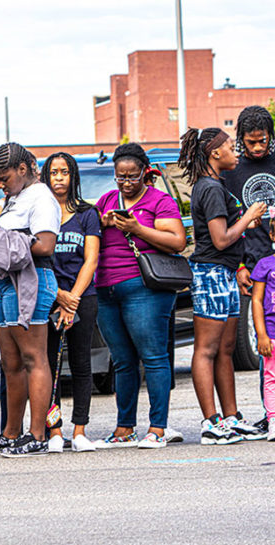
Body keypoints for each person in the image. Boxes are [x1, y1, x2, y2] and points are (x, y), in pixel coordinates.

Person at [93, 143, 186, 449]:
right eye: (121, 177)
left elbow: (176, 241)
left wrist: (137, 228)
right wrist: (101, 224)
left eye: (133, 176)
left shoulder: (160, 201)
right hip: (106, 290)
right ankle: (124, 428)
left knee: (154, 357)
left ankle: (157, 428)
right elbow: (87, 238)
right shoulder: (107, 200)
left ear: (145, 173)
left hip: (145, 289)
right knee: (122, 361)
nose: (127, 183)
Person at [180, 127, 267, 443]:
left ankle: (231, 417)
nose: (236, 152)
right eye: (232, 147)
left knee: (227, 349)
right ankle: (211, 422)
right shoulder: (211, 188)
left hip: (226, 273)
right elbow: (219, 239)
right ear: (215, 153)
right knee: (207, 349)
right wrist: (249, 215)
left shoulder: (216, 186)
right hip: (211, 273)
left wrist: (244, 221)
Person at [0, 143, 59, 457]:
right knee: (10, 363)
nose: (1, 184)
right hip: (7, 283)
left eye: (5, 177)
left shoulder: (41, 197)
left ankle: (37, 433)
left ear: (23, 170)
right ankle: (11, 432)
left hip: (33, 280)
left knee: (33, 358)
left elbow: (45, 245)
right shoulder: (14, 199)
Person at [40, 152, 100, 452]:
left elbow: (91, 260)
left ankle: (79, 430)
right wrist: (59, 296)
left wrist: (73, 298)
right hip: (49, 297)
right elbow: (37, 259)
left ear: (73, 176)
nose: (59, 178)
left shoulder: (87, 214)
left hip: (82, 299)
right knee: (49, 365)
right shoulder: (40, 215)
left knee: (81, 363)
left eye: (64, 172)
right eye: (53, 172)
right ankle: (54, 431)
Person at [224, 105, 275, 433]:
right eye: (251, 142)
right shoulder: (232, 170)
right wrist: (241, 264)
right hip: (255, 262)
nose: (258, 148)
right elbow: (230, 221)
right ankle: (270, 411)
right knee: (266, 342)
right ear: (241, 141)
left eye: (263, 141)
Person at [250, 221, 275, 441]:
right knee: (270, 378)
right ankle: (273, 420)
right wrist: (262, 335)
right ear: (272, 236)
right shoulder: (264, 265)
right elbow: (256, 301)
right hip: (272, 335)